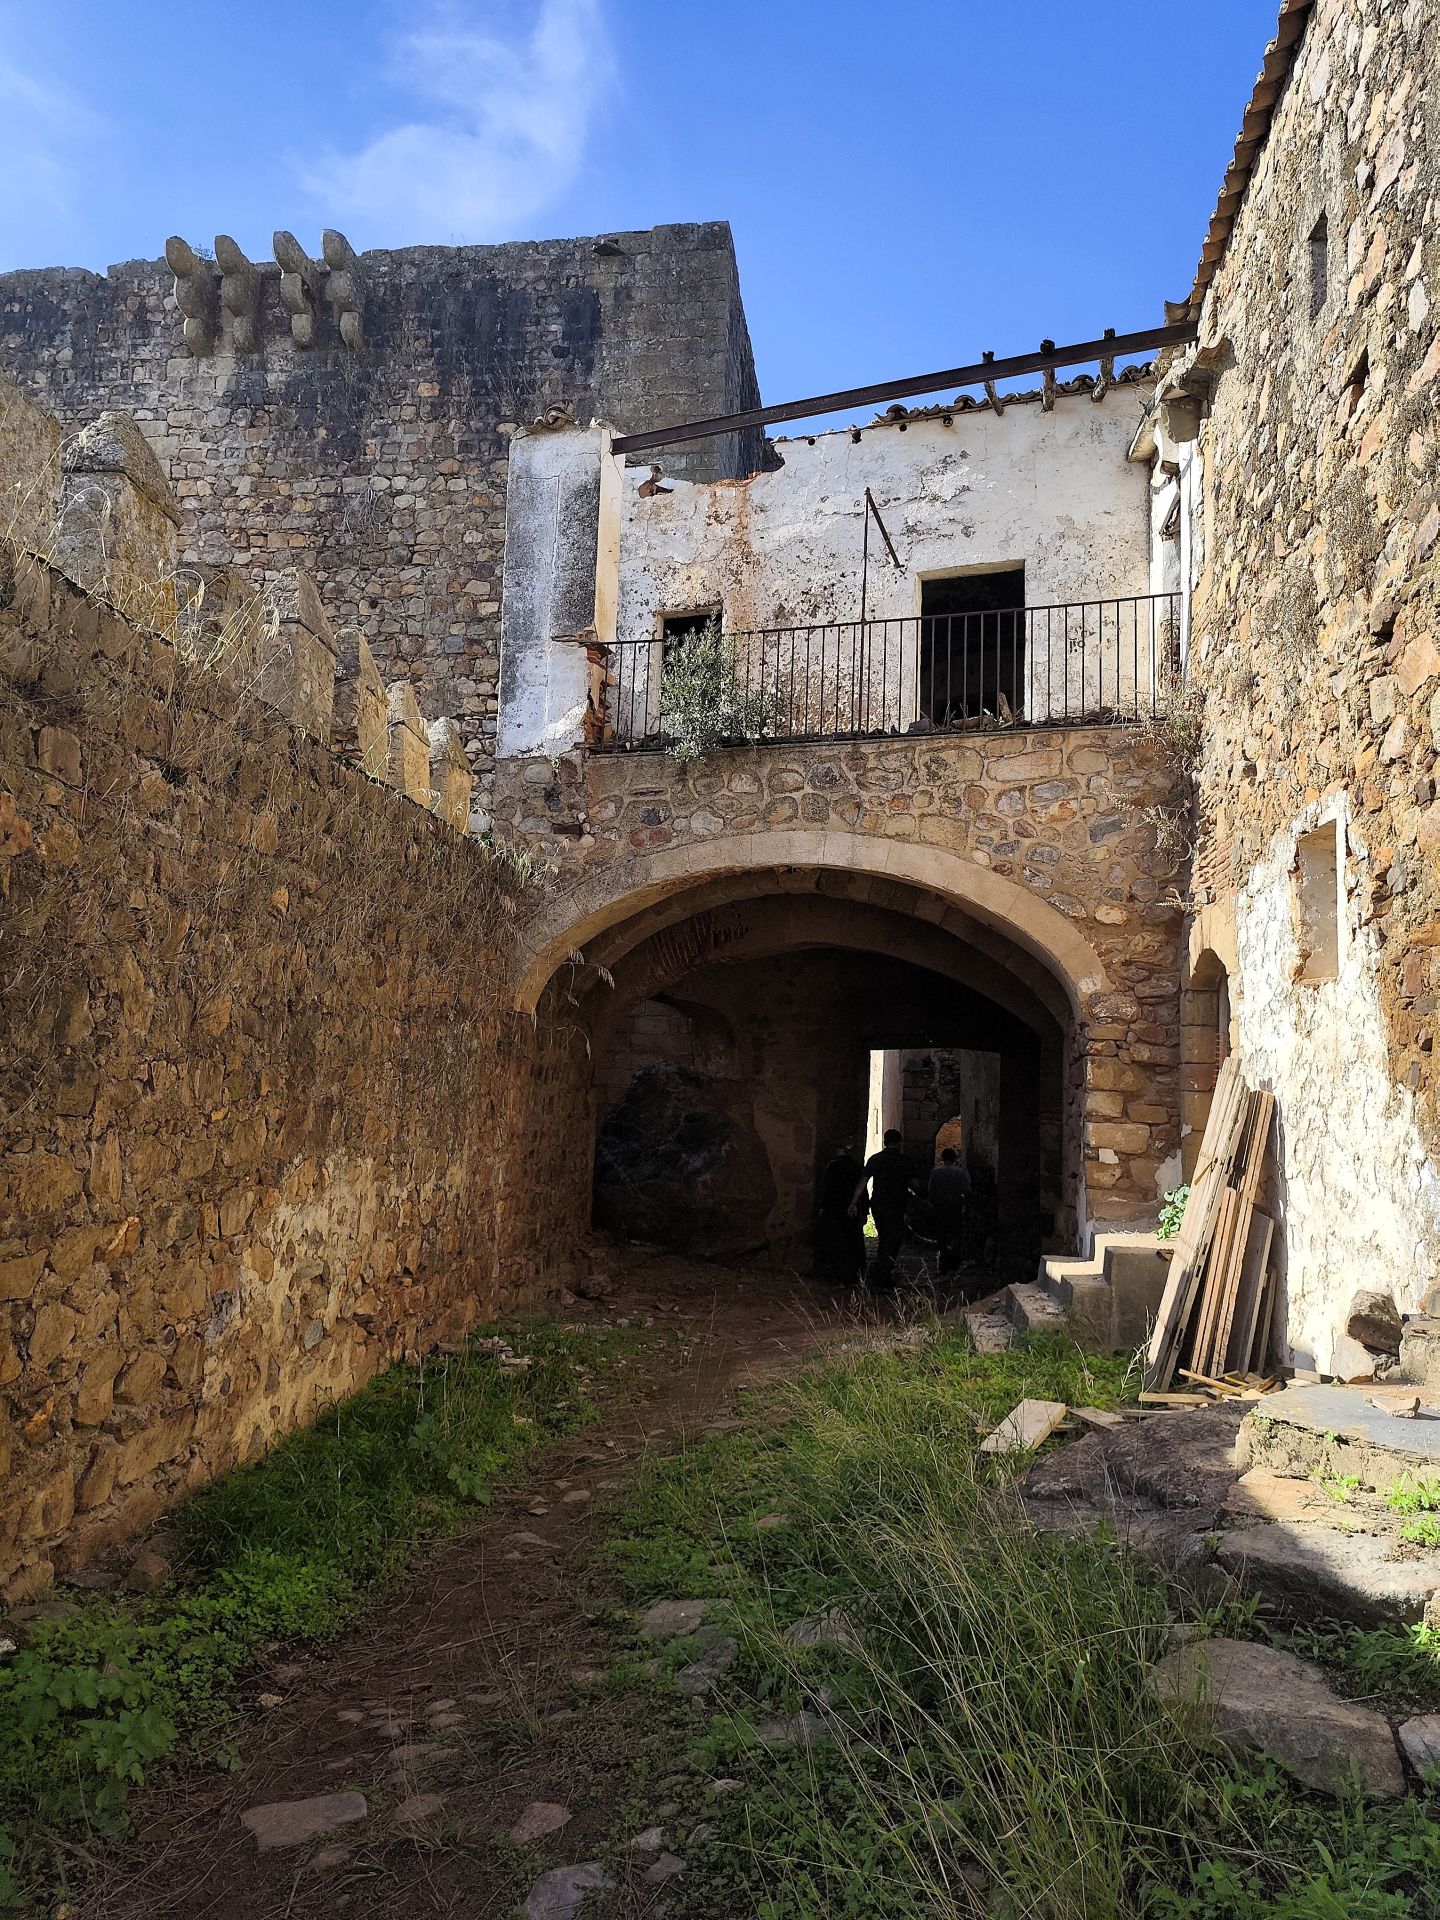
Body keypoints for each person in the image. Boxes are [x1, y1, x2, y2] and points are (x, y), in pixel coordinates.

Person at [852, 1129, 914, 1288]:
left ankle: (881, 1273)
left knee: (885, 1237)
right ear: (899, 1142)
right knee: (893, 1240)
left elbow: (862, 1182)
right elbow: (914, 1184)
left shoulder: (875, 1159)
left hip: (878, 1206)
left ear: (885, 1142)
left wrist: (853, 1201)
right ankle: (883, 1275)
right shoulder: (905, 1161)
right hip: (897, 1206)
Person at [816, 1142, 866, 1285]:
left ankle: (837, 1274)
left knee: (837, 1241)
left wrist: (822, 1206)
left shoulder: (832, 1166)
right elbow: (863, 1190)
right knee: (852, 1241)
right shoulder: (856, 1167)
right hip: (852, 1209)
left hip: (835, 1208)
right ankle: (854, 1274)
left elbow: (826, 1188)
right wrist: (863, 1209)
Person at [927, 1146, 972, 1272]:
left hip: (940, 1207)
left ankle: (943, 1263)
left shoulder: (936, 1172)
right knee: (955, 1234)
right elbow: (967, 1190)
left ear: (942, 1158)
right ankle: (954, 1263)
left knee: (941, 1235)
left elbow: (931, 1191)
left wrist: (933, 1204)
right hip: (955, 1207)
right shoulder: (960, 1172)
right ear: (954, 1158)